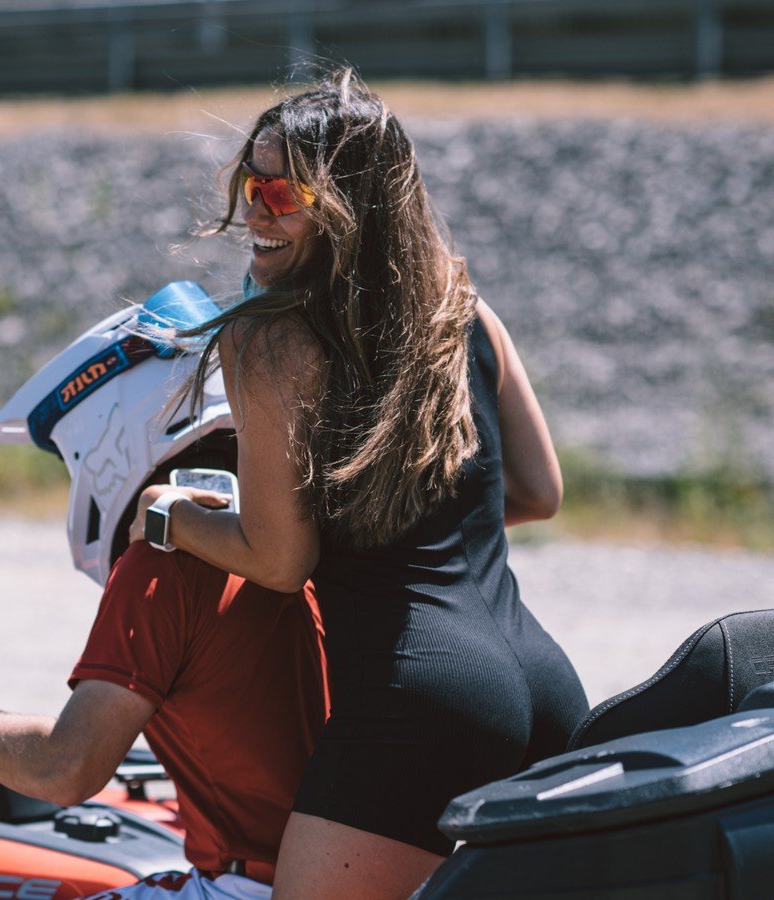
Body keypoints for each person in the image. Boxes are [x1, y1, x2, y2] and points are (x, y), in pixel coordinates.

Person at [125, 70, 590, 898]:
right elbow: (534, 491)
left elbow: (278, 559)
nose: (254, 214)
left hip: (417, 698)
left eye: (281, 193)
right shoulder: (459, 308)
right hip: (544, 685)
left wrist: (165, 514)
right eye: (249, 186)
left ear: (349, 205)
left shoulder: (271, 337)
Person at [0, 300, 331, 900]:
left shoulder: (167, 563)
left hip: (250, 887)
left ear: (110, 432)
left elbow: (65, 768)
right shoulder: (300, 540)